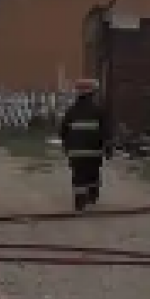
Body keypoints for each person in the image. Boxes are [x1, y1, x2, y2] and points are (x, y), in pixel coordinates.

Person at [59, 78, 110, 211]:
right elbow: (106, 131)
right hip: (94, 152)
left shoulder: (71, 111)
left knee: (78, 174)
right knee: (93, 173)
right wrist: (108, 147)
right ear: (93, 93)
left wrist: (66, 145)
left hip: (75, 152)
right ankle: (92, 195)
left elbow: (62, 131)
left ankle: (79, 201)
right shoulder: (99, 111)